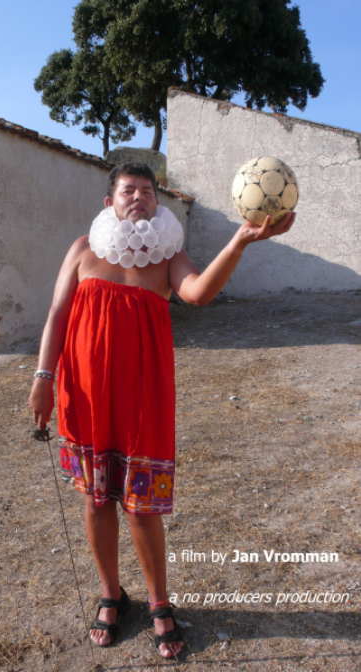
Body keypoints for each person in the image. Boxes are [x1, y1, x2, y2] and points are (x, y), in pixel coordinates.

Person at [28, 163, 295, 659]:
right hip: (85, 396)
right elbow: (57, 315)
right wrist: (44, 378)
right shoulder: (83, 251)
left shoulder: (167, 256)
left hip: (143, 400)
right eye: (128, 190)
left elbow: (198, 293)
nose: (138, 198)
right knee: (95, 499)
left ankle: (158, 603)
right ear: (110, 202)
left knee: (143, 508)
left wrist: (239, 242)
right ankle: (112, 594)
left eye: (147, 192)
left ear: (157, 204)